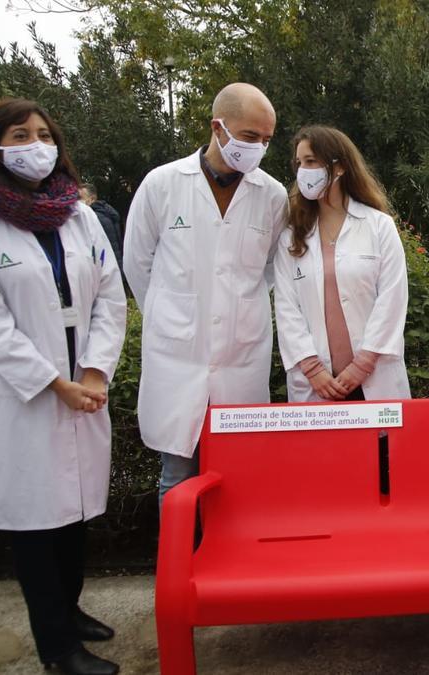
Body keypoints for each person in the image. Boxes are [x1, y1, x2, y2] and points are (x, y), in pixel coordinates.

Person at [0, 98, 127, 675]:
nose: (35, 145)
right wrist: (56, 384)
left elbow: (110, 297)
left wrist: (94, 371)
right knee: (34, 519)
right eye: (20, 135)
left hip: (83, 376)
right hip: (23, 389)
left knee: (74, 510)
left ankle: (69, 611)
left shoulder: (77, 215)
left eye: (43, 134)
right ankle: (56, 648)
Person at [124, 83, 289, 506]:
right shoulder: (162, 185)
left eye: (266, 140)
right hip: (178, 355)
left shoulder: (271, 195)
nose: (258, 148)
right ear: (218, 127)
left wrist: (234, 308)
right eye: (250, 137)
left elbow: (272, 268)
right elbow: (137, 264)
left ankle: (228, 569)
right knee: (176, 477)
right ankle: (179, 570)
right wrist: (171, 312)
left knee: (237, 477)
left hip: (241, 355)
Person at [273, 125, 410, 402]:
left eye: (311, 161)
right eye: (299, 163)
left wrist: (362, 365)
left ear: (340, 167)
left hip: (373, 378)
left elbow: (393, 299)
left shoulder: (378, 226)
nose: (303, 171)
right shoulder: (291, 235)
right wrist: (313, 370)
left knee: (380, 444)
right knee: (320, 447)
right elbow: (287, 308)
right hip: (316, 385)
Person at [78, 183, 122, 269]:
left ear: (92, 199)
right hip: (117, 265)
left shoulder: (94, 218)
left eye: (80, 198)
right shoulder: (107, 213)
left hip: (106, 268)